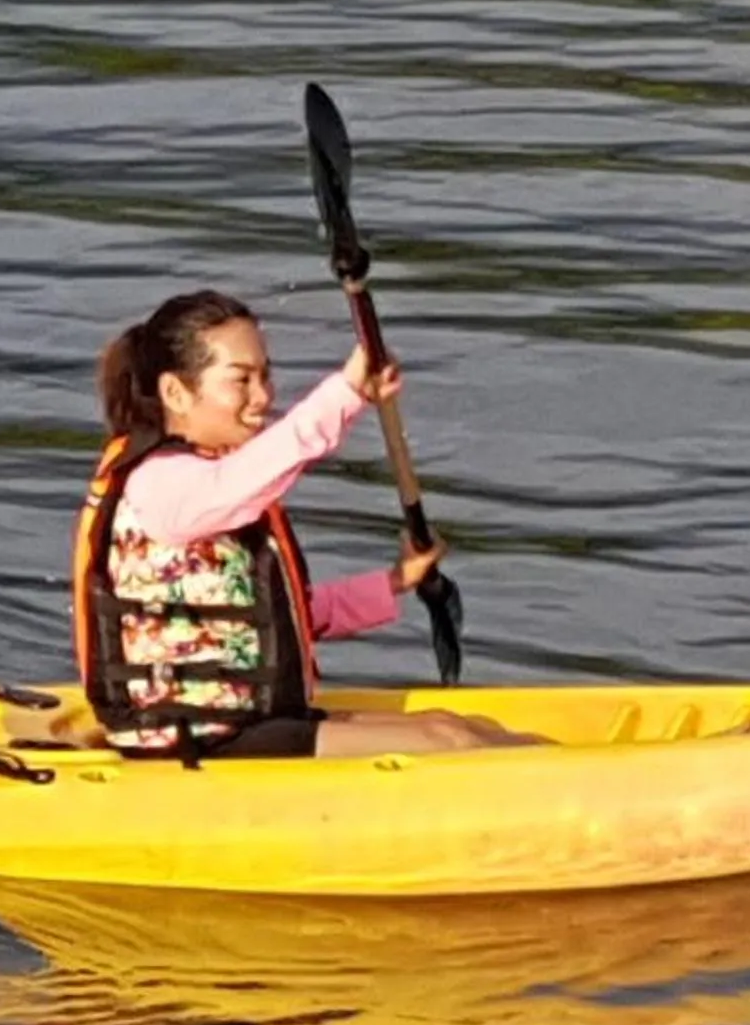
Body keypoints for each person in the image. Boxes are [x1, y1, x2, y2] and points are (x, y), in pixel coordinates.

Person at [72, 289, 535, 760]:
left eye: (265, 376)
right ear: (175, 392)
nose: (263, 396)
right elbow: (262, 466)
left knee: (458, 726)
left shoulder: (212, 480)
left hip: (247, 725)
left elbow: (287, 616)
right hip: (195, 741)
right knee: (449, 745)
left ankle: (587, 773)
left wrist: (394, 582)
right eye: (241, 380)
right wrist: (348, 392)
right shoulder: (163, 485)